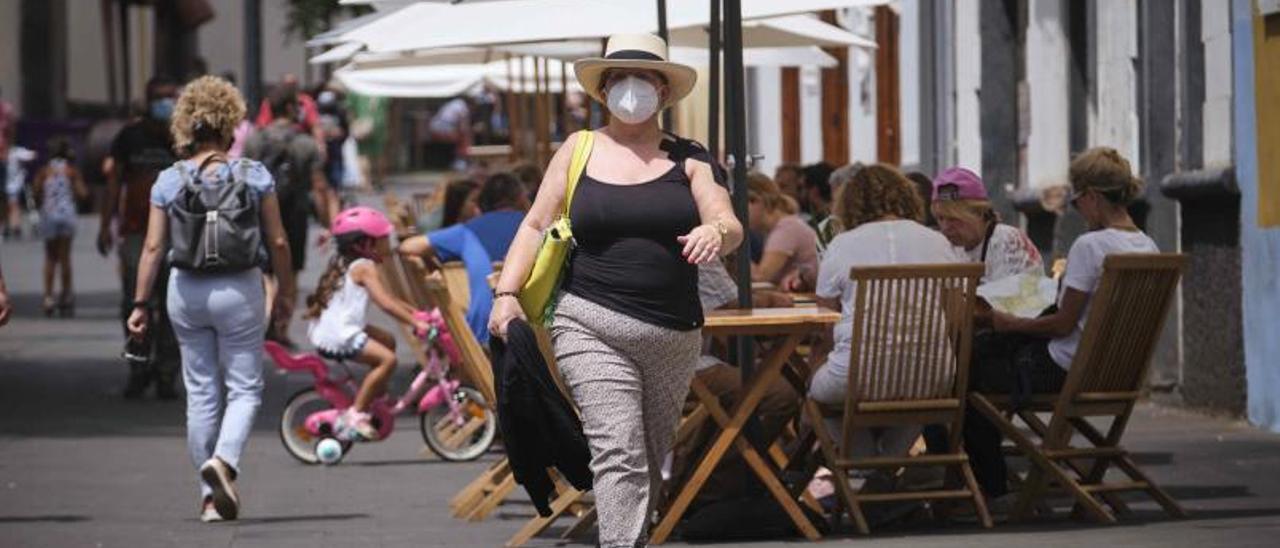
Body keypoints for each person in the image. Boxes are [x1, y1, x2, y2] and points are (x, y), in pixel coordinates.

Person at [487, 33, 743, 548]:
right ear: (603, 91)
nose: (631, 89)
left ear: (664, 93)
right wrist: (507, 294)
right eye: (619, 79)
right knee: (619, 450)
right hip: (588, 321)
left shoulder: (690, 158)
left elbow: (728, 220)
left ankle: (632, 535)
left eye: (644, 79)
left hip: (673, 335)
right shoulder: (578, 149)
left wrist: (714, 232)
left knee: (645, 456)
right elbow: (535, 224)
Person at [126, 75, 296, 523]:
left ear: (185, 124)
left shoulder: (168, 179)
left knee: (200, 392)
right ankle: (224, 461)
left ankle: (208, 498)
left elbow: (151, 249)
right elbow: (277, 241)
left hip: (186, 287)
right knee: (244, 387)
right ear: (231, 122)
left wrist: (140, 305)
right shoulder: (254, 175)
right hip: (240, 287)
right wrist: (286, 292)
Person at [964, 147, 1156, 505]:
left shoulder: (1091, 245)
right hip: (1114, 371)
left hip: (1063, 370)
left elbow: (1064, 324)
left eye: (1077, 199)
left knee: (967, 369)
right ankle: (1004, 481)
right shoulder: (1148, 246)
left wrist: (1011, 322)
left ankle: (988, 489)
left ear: (1094, 197)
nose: (1076, 208)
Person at [808, 164, 962, 460]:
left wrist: (817, 360)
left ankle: (867, 471)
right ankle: (887, 466)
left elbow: (824, 322)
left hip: (856, 376)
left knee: (817, 391)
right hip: (932, 375)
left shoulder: (841, 245)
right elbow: (955, 316)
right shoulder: (937, 242)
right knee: (920, 392)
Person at [307, 207, 430, 440]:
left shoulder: (354, 263)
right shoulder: (365, 266)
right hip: (340, 334)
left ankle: (378, 395)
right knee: (388, 360)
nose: (389, 244)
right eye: (384, 239)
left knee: (387, 339)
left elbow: (390, 298)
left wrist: (418, 314)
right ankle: (356, 414)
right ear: (365, 244)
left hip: (339, 327)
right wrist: (417, 324)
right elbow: (384, 303)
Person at [102, 75, 183, 399]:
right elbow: (114, 183)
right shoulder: (129, 137)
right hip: (136, 232)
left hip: (178, 234)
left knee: (174, 307)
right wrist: (104, 224)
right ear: (148, 101)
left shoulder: (182, 139)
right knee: (135, 304)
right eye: (160, 98)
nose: (166, 104)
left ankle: (166, 373)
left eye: (171, 98)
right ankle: (138, 368)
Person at [244, 85, 339, 342]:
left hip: (259, 214)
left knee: (264, 272)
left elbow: (242, 180)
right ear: (289, 108)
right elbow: (320, 186)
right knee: (291, 271)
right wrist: (329, 225)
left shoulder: (254, 140)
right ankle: (281, 327)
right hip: (294, 213)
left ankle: (265, 317)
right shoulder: (306, 144)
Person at [400, 172, 528, 344]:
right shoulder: (537, 227)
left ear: (483, 203)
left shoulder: (466, 232)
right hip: (533, 336)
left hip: (481, 336)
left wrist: (435, 265)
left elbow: (408, 246)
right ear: (521, 199)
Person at [931, 167, 1042, 283]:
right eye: (940, 218)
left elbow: (1013, 298)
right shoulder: (948, 248)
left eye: (953, 219)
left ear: (979, 212)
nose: (945, 227)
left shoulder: (1007, 240)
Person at [33, 139, 89, 316]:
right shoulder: (71, 171)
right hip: (66, 215)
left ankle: (48, 297)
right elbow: (83, 193)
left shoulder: (44, 171)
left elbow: (35, 191)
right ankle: (66, 295)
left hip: (49, 215)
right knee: (65, 258)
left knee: (50, 257)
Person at [746, 172, 818, 290]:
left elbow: (760, 277)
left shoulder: (787, 228)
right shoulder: (777, 228)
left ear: (758, 201)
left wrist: (733, 247)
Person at [429, 96, 473, 172]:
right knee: (464, 138)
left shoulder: (454, 103)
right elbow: (463, 126)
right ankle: (461, 161)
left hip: (435, 125)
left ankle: (459, 161)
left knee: (462, 137)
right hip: (442, 126)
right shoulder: (462, 106)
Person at [1, 87, 17, 237]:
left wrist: (8, 151)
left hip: (1, 156)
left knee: (3, 192)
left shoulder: (6, 110)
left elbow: (11, 132)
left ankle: (5, 223)